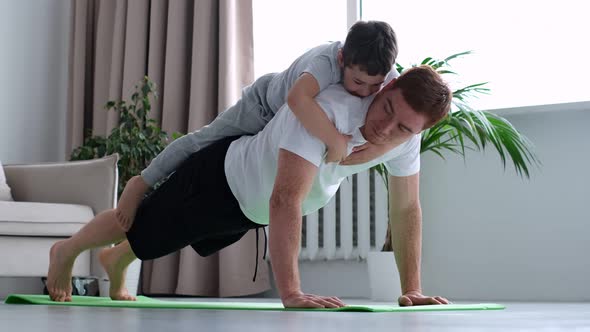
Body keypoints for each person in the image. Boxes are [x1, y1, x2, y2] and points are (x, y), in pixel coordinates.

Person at [47, 65, 453, 308]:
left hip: (246, 210)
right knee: (137, 221)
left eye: (402, 127)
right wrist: (291, 292)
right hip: (219, 180)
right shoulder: (328, 110)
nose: (385, 128)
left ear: (417, 131)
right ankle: (67, 250)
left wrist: (412, 289)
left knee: (164, 237)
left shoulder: (405, 140)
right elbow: (285, 198)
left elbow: (405, 210)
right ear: (384, 87)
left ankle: (117, 261)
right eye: (385, 109)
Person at [115, 20, 398, 233]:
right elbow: (297, 99)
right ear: (341, 60)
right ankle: (140, 182)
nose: (365, 92)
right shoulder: (325, 60)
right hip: (261, 108)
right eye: (358, 83)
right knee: (203, 141)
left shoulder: (384, 72)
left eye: (375, 85)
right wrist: (335, 141)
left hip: (277, 130)